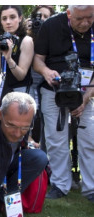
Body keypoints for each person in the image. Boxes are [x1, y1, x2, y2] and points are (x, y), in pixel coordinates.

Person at [33, 5, 94, 202]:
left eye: (90, 17)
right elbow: (38, 60)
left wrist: (84, 100)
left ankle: (91, 187)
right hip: (53, 90)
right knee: (55, 139)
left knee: (90, 139)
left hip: (86, 90)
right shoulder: (51, 25)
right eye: (79, 19)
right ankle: (60, 184)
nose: (85, 23)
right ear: (69, 14)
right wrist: (46, 72)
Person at [26, 5, 56, 150]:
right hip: (27, 87)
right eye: (39, 16)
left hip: (46, 88)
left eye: (46, 17)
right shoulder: (27, 36)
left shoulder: (54, 37)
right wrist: (27, 32)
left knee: (45, 129)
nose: (42, 20)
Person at [0, 5, 34, 106]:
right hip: (6, 90)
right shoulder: (0, 40)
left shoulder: (26, 40)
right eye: (4, 18)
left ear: (20, 18)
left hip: (22, 93)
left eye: (12, 17)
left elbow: (21, 76)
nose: (8, 22)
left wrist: (9, 58)